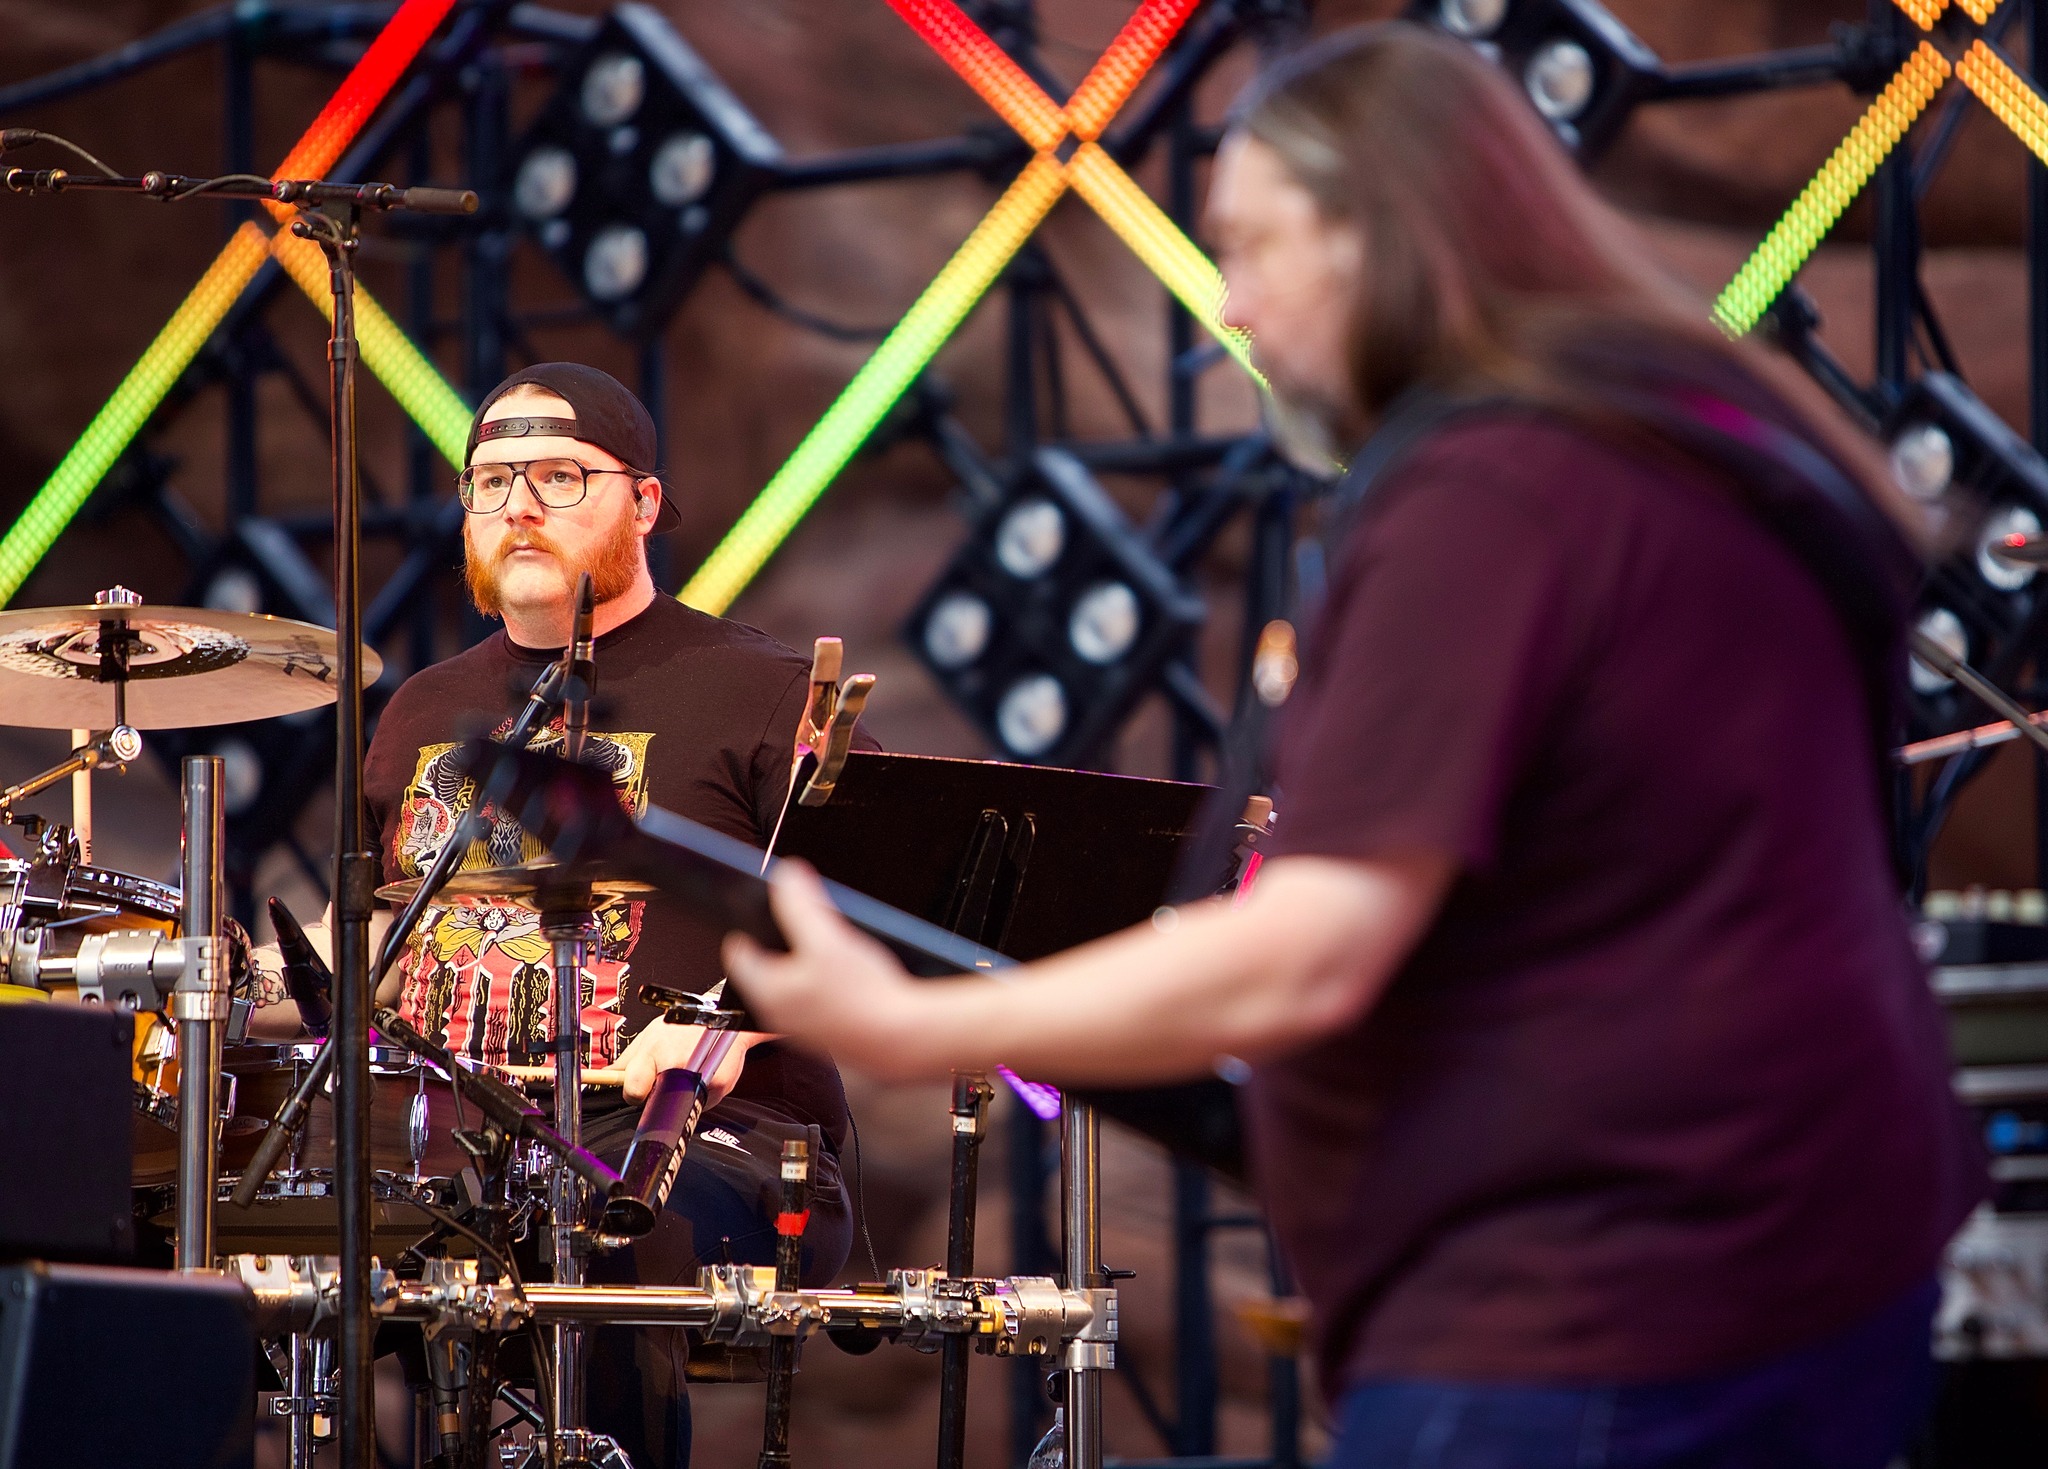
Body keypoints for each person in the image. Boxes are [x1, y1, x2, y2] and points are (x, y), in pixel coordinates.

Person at [720, 24, 1985, 1469]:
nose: (1230, 309)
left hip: (1595, 1311)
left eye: (1253, 247)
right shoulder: (1678, 443)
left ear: (1379, 234)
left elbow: (1317, 944)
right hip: (1797, 1270)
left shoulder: (1490, 490)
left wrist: (911, 1024)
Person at [248, 362, 857, 1466]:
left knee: (583, 1224)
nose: (518, 504)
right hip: (446, 1137)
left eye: (560, 475)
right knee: (232, 1216)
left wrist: (735, 1026)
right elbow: (375, 949)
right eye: (491, 481)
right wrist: (220, 981)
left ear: (647, 503)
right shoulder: (424, 706)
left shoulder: (758, 688)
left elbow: (866, 936)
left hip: (690, 1139)